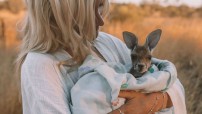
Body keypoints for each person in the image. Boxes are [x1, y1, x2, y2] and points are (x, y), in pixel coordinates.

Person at [16, 0, 186, 114]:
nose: (101, 20)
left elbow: (173, 83)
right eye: (93, 8)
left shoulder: (104, 42)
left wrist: (151, 102)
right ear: (63, 14)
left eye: (101, 6)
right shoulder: (40, 66)